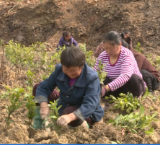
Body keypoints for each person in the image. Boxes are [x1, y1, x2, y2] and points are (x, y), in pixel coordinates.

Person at [33, 47, 104, 130]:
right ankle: (39, 125)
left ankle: (84, 126)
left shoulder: (91, 78)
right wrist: (43, 105)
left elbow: (90, 104)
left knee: (69, 111)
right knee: (37, 87)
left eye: (73, 70)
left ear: (81, 66)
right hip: (66, 101)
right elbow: (44, 87)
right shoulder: (59, 70)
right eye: (66, 69)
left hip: (85, 112)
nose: (69, 73)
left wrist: (70, 117)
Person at [94, 31, 146, 98]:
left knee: (134, 79)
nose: (108, 51)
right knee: (103, 80)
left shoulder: (126, 55)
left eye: (111, 48)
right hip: (113, 88)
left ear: (120, 44)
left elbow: (125, 76)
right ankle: (112, 96)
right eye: (106, 48)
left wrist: (106, 88)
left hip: (129, 87)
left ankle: (134, 97)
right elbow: (95, 73)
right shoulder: (103, 56)